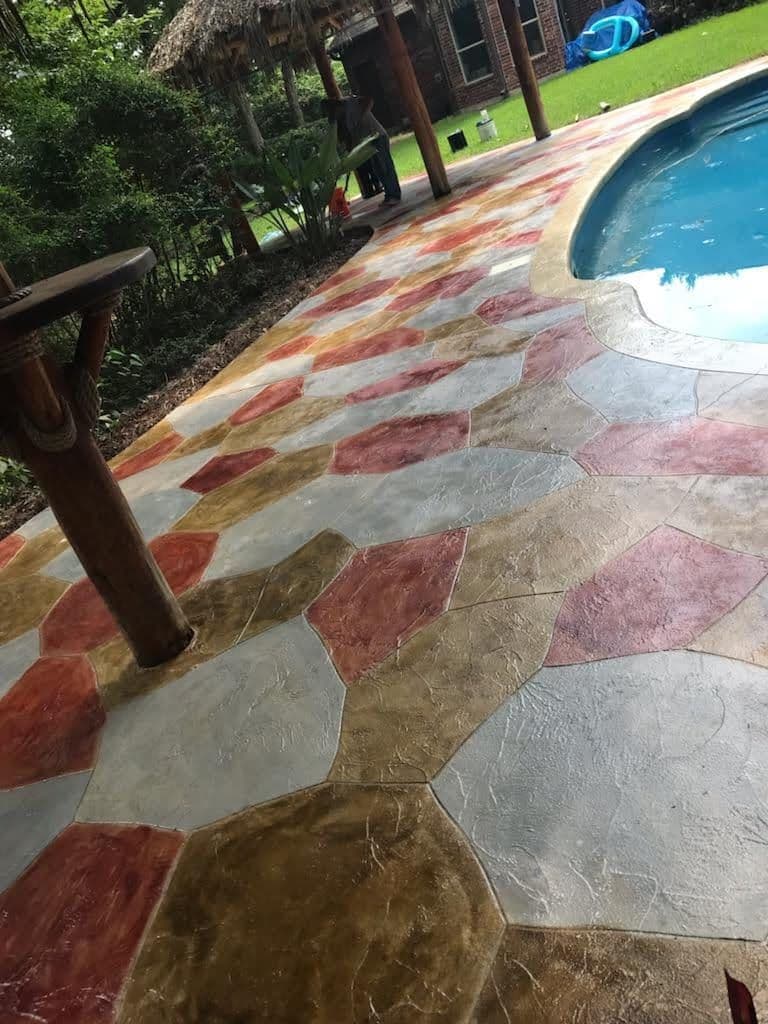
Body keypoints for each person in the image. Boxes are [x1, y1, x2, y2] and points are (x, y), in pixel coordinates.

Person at [322, 96, 402, 207]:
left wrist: (362, 116)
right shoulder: (342, 120)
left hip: (377, 136)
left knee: (385, 167)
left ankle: (394, 195)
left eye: (332, 112)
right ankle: (389, 195)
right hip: (367, 142)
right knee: (378, 169)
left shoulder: (349, 102)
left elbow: (369, 100)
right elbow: (345, 137)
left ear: (336, 106)